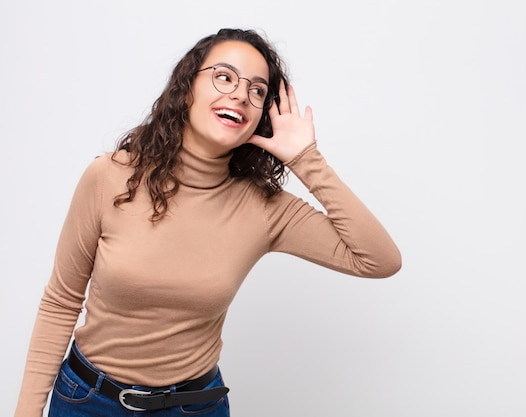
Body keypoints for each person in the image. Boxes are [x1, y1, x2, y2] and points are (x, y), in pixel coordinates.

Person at [14, 27, 402, 417]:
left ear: (261, 116)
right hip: (88, 401)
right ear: (187, 89)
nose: (240, 94)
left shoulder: (265, 208)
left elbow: (379, 259)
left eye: (257, 91)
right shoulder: (109, 177)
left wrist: (305, 159)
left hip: (194, 407)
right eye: (224, 77)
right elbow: (61, 302)